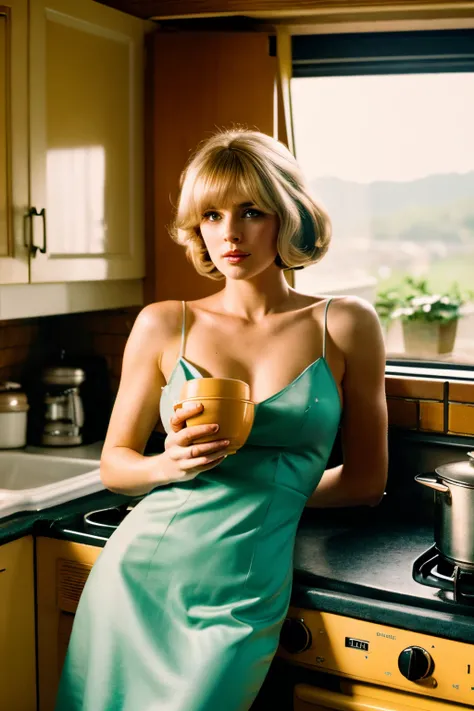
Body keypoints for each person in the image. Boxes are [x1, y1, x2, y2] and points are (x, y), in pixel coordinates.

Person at [55, 129, 388, 711]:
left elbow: (366, 481)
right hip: (139, 576)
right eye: (211, 215)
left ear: (287, 217)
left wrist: (273, 491)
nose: (229, 233)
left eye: (251, 212)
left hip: (242, 593)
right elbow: (115, 466)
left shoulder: (345, 323)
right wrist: (168, 464)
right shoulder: (163, 323)